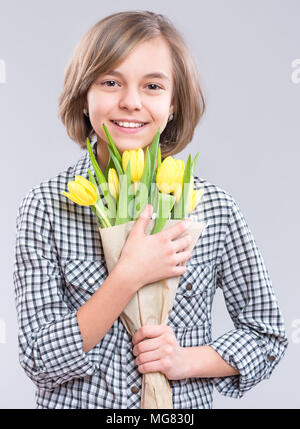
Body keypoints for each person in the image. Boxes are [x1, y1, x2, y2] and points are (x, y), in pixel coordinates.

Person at [13, 10, 288, 409]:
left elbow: (268, 335)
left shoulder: (212, 208)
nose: (130, 102)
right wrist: (127, 275)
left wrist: (186, 361)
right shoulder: (47, 207)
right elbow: (38, 356)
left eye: (153, 86)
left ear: (174, 103)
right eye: (110, 82)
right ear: (83, 94)